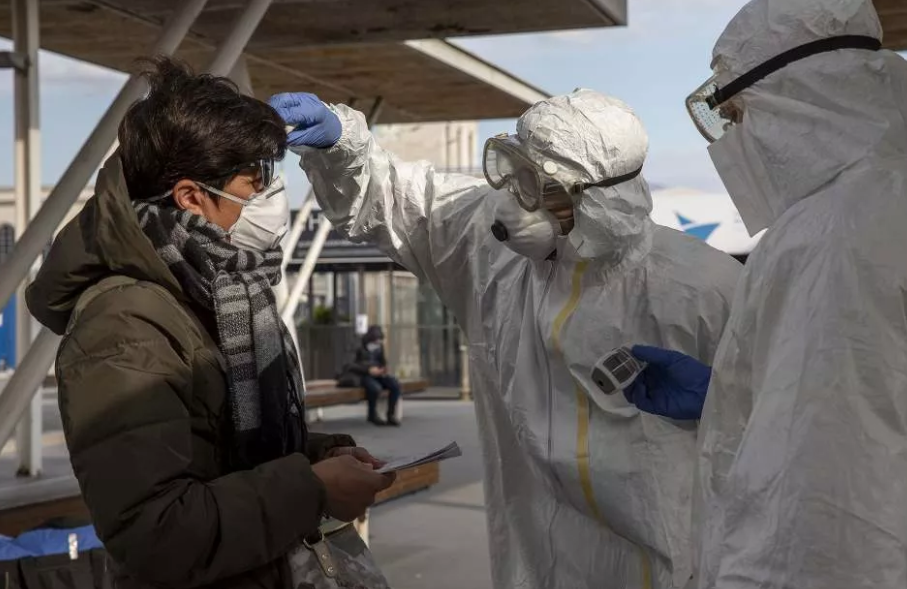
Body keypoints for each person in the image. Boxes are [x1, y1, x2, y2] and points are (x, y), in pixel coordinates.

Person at [267, 88, 742, 588]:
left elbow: (778, 429)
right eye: (514, 172)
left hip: (664, 559)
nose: (516, 201)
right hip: (535, 554)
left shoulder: (701, 287)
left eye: (540, 187)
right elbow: (402, 200)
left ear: (602, 198)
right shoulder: (495, 253)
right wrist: (342, 147)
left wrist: (730, 402)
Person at [26, 57, 394, 589]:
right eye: (255, 181)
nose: (271, 196)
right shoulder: (124, 327)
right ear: (191, 197)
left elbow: (219, 449)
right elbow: (156, 533)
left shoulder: (215, 286)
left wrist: (318, 456)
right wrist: (312, 487)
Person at [622, 1, 907, 587]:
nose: (734, 141)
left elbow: (821, 502)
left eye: (737, 115)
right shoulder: (879, 197)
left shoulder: (831, 232)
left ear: (794, 99)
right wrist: (730, 396)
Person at [340, 326, 402, 426]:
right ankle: (372, 414)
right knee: (374, 388)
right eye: (375, 342)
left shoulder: (379, 347)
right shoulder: (358, 346)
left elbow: (382, 361)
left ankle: (390, 414)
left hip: (378, 374)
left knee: (395, 385)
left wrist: (382, 369)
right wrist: (368, 370)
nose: (377, 344)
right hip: (364, 375)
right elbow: (349, 365)